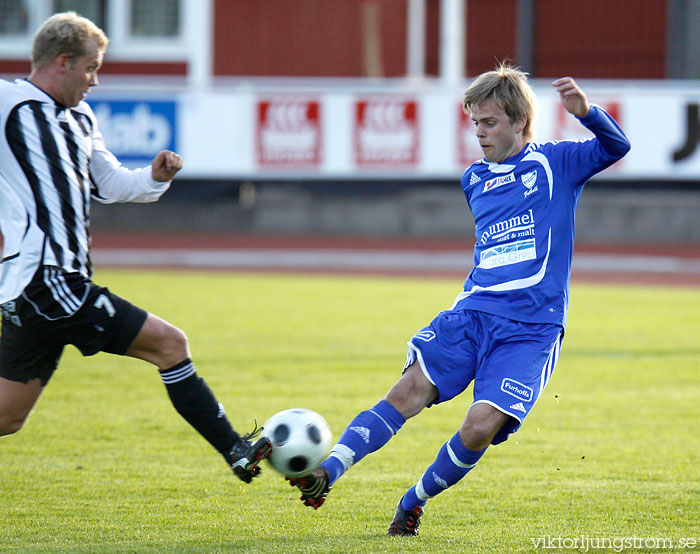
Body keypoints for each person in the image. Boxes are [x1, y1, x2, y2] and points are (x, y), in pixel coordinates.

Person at [287, 63, 631, 535]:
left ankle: (413, 501)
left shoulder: (558, 163)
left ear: (518, 121)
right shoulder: (474, 179)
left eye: (489, 123)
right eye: (474, 123)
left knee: (478, 426)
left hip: (531, 328)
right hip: (471, 314)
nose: (480, 134)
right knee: (406, 391)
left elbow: (617, 146)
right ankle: (327, 472)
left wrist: (587, 113)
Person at [0, 12, 271, 483]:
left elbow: (111, 184)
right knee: (170, 344)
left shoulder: (81, 118)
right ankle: (234, 450)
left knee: (7, 417)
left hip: (43, 287)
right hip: (47, 280)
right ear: (62, 62)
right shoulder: (9, 103)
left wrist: (154, 176)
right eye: (90, 68)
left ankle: (235, 451)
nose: (95, 81)